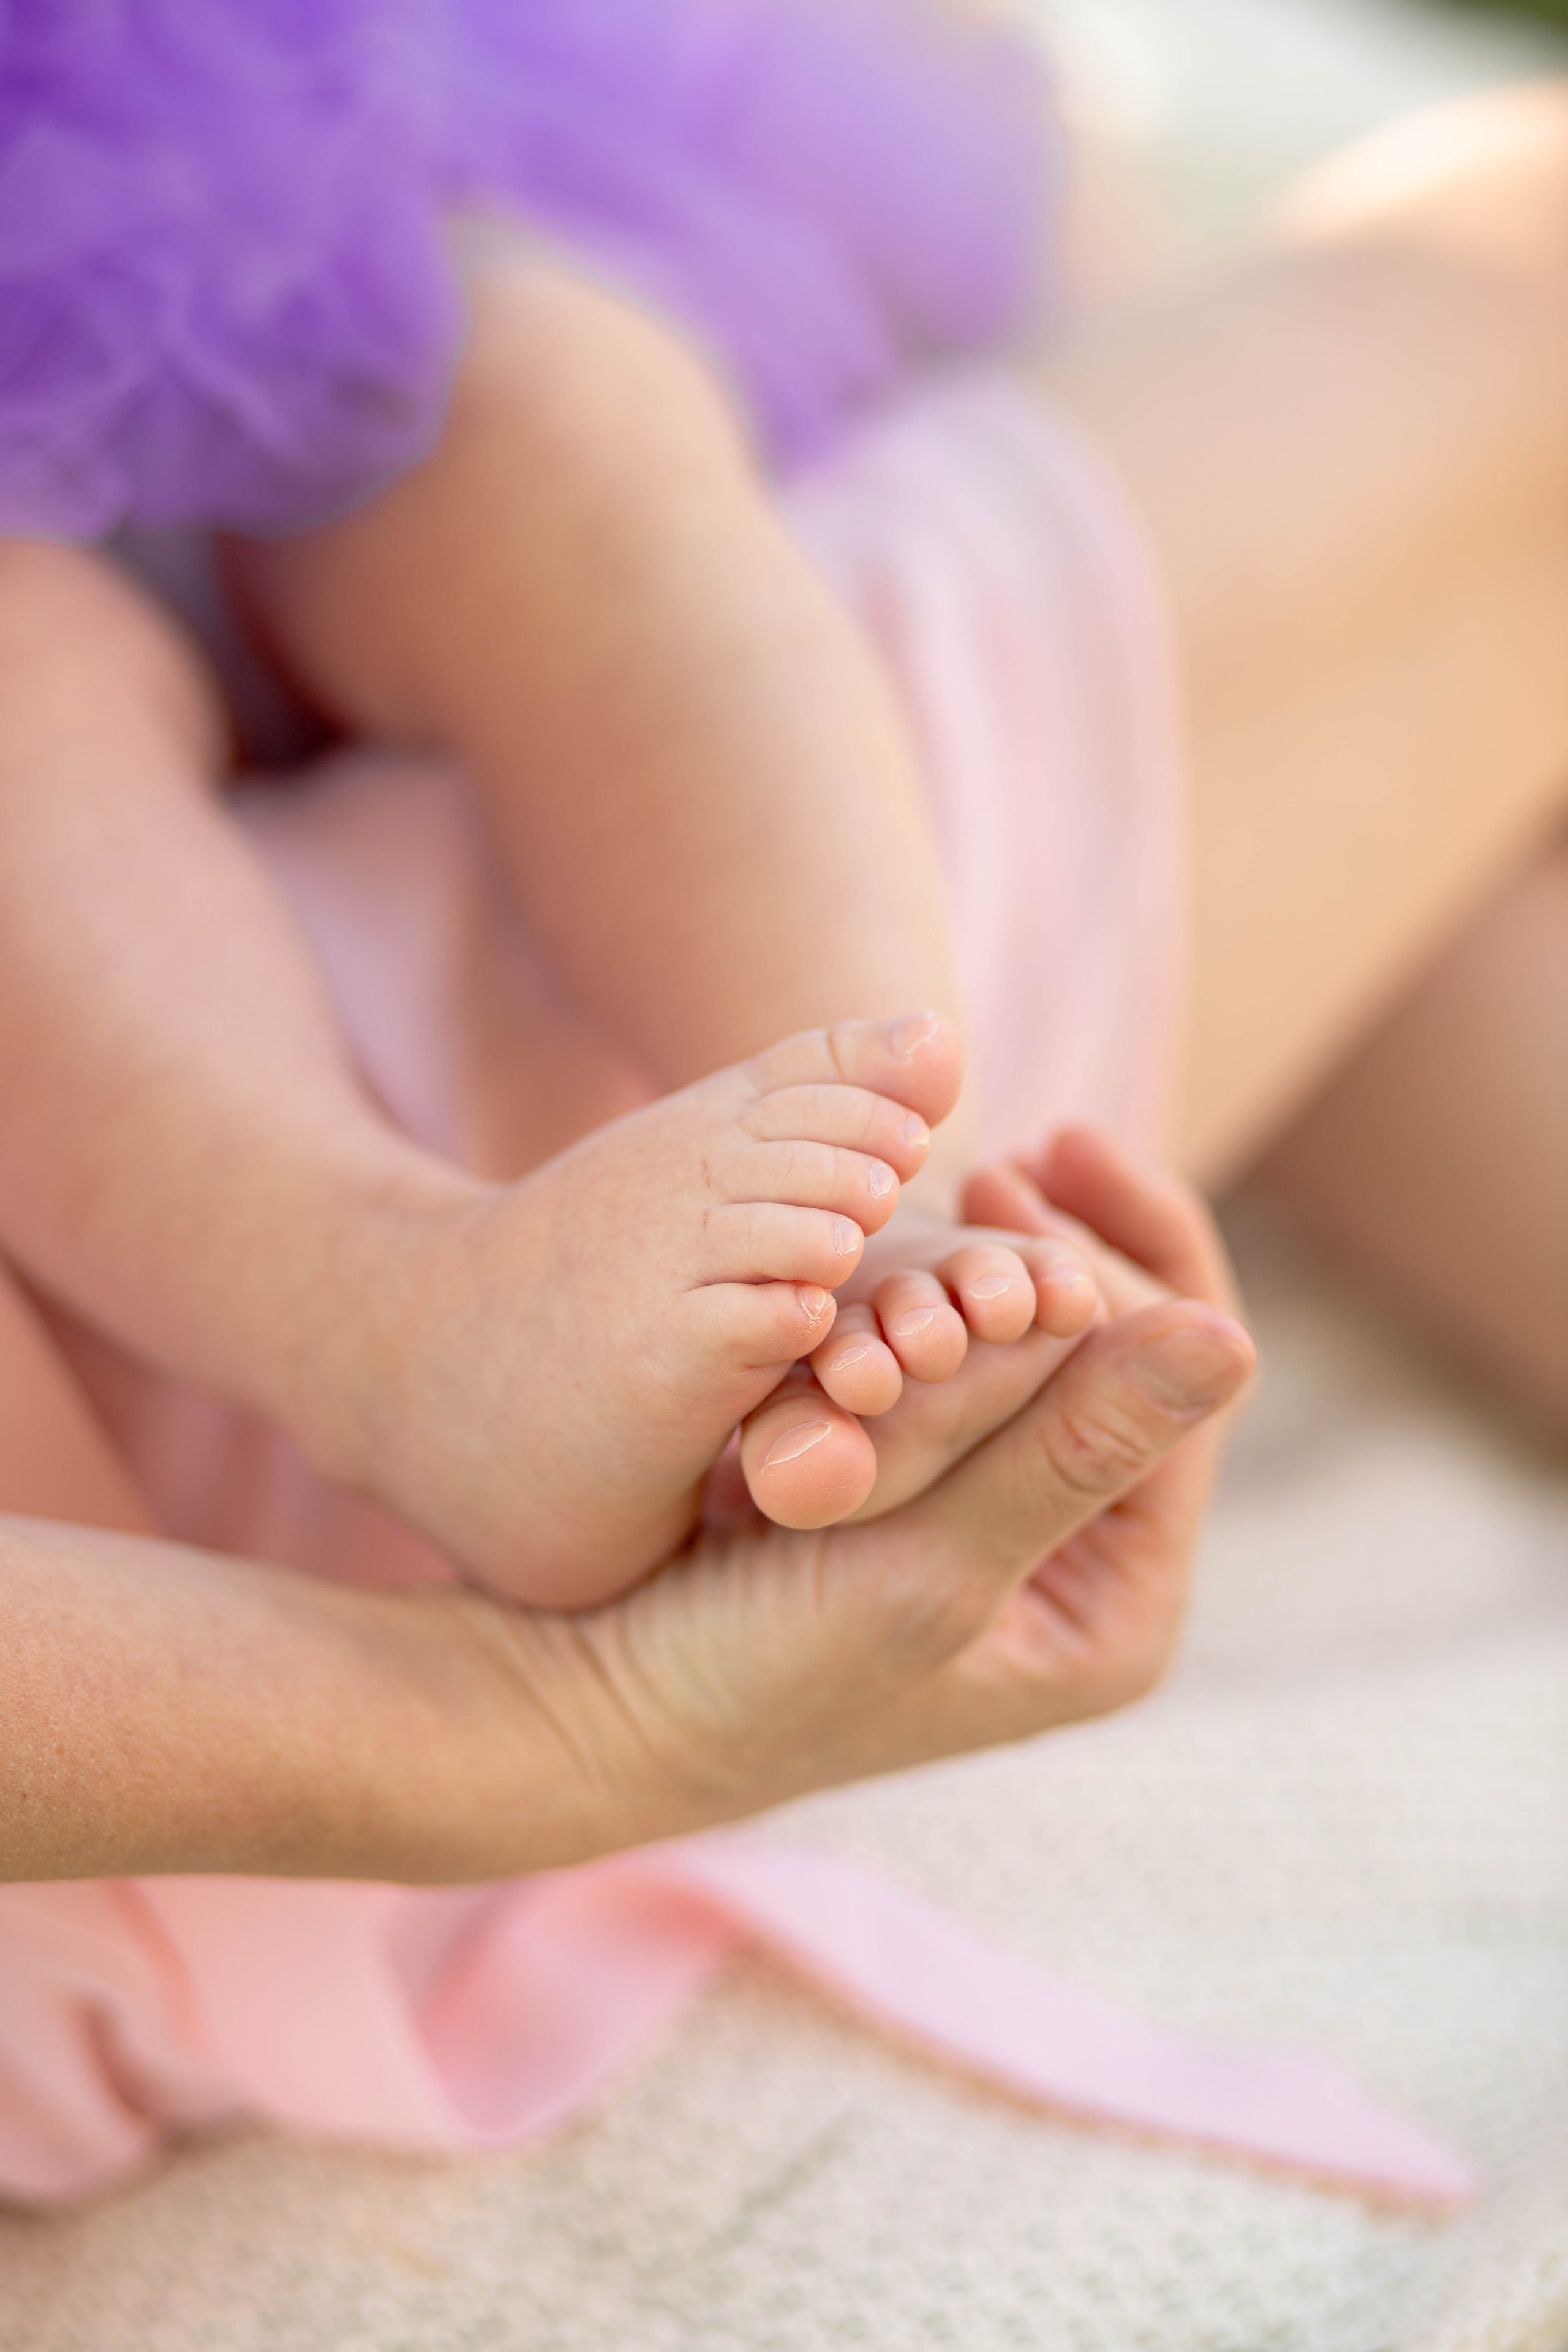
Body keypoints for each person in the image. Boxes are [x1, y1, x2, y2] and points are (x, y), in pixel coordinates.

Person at [0, 0, 1562, 2199]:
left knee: (519, 389)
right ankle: (436, 1310)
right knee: (1523, 277)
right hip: (163, 1663)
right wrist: (538, 1739)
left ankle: (879, 1198)